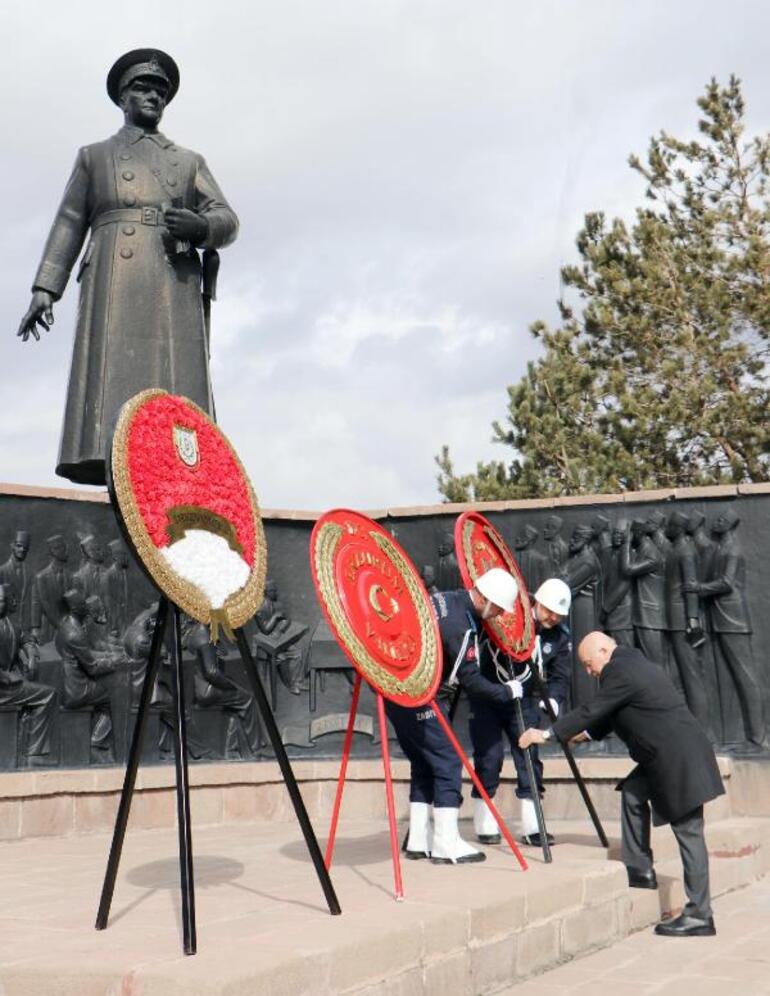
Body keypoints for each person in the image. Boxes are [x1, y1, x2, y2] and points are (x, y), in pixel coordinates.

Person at [17, 48, 239, 486]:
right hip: (114, 277)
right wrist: (46, 288)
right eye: (143, 88)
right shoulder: (94, 157)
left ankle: (182, 457)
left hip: (171, 276)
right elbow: (69, 222)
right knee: (112, 389)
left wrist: (200, 226)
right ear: (123, 97)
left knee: (173, 383)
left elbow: (228, 221)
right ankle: (108, 452)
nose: (154, 96)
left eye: (161, 91)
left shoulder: (189, 161)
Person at [520, 631, 724, 937]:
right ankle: (639, 868)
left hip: (679, 760)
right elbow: (611, 714)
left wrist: (547, 734)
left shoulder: (621, 669)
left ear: (604, 650)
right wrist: (582, 735)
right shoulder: (629, 664)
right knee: (632, 793)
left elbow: (595, 709)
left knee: (689, 832)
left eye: (589, 664)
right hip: (664, 758)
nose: (589, 671)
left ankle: (699, 914)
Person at [387, 567, 519, 865]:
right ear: (484, 597)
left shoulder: (445, 599)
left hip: (397, 691)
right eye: (497, 607)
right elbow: (470, 680)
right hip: (422, 696)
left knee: (424, 762)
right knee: (448, 760)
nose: (498, 614)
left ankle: (419, 840)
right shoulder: (462, 626)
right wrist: (507, 692)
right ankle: (446, 842)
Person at [457, 578, 572, 847]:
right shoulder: (510, 617)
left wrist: (554, 699)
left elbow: (561, 674)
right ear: (537, 603)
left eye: (558, 614)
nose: (553, 617)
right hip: (488, 695)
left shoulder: (559, 635)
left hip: (525, 700)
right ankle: (485, 819)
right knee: (489, 756)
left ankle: (533, 825)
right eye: (548, 611)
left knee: (529, 758)